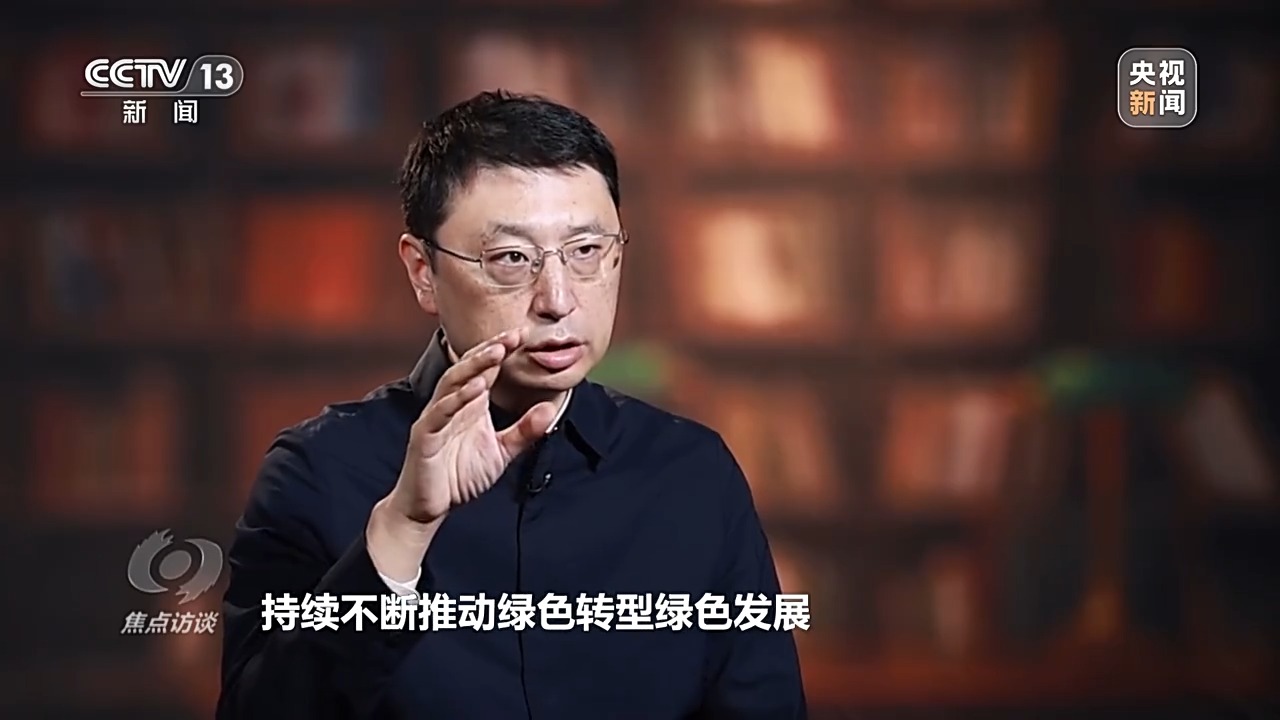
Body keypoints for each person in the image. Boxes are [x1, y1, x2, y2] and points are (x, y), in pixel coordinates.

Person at [217, 90, 806, 719]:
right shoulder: (317, 472)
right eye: (511, 259)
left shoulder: (692, 474)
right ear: (423, 272)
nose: (558, 299)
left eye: (587, 252)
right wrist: (401, 532)